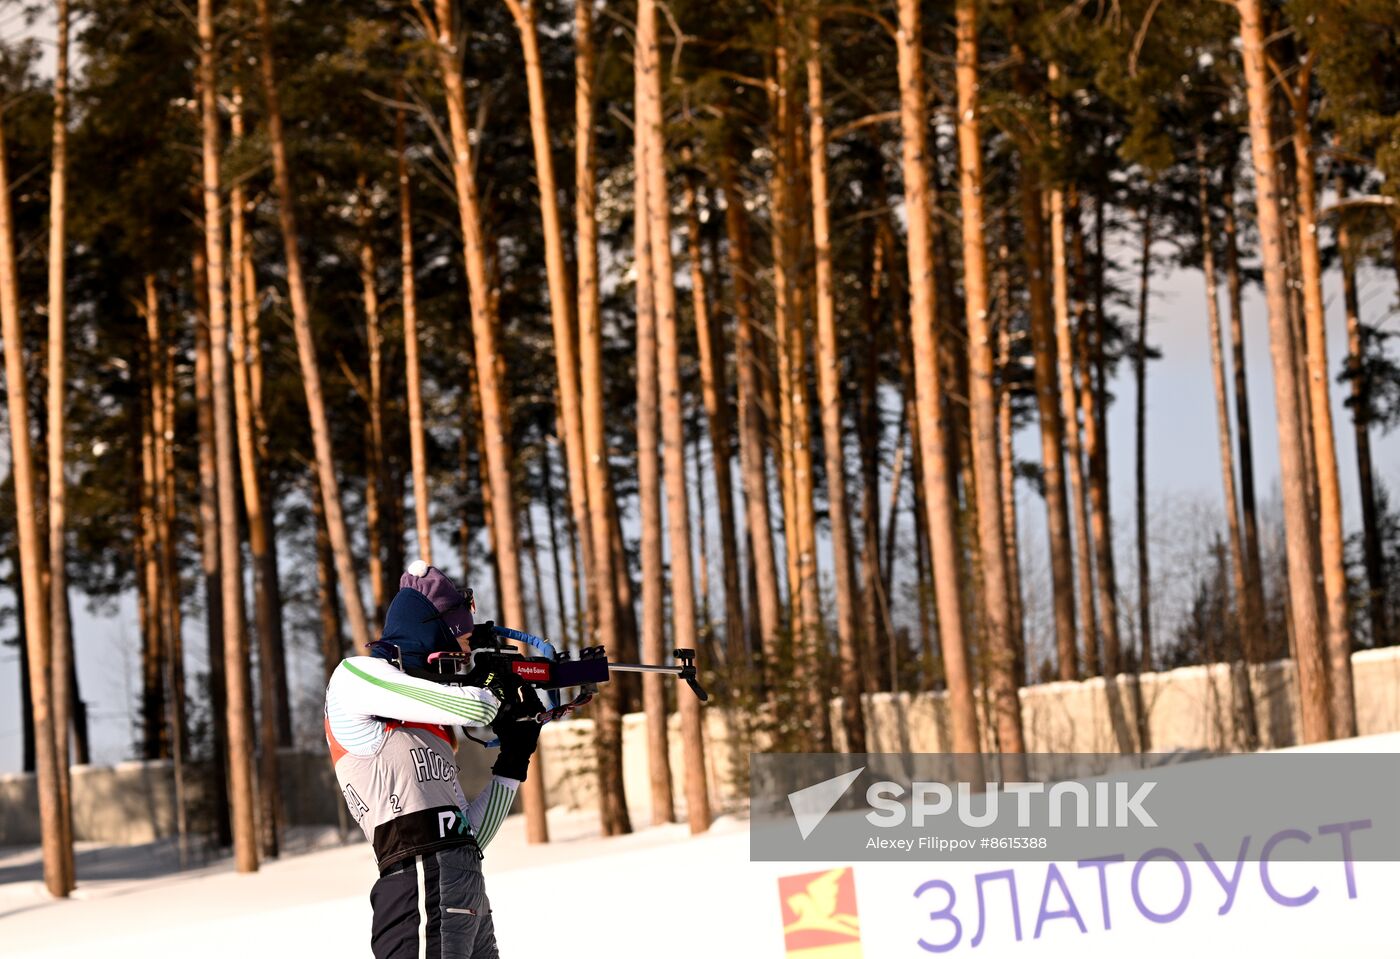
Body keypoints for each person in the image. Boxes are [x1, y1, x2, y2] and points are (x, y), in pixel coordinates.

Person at [324, 561, 542, 959]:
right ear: (430, 635)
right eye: (458, 645)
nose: (464, 659)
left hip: (461, 885)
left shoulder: (435, 731)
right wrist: (496, 689)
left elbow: (467, 837)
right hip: (418, 878)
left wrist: (514, 762)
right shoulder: (352, 679)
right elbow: (474, 709)